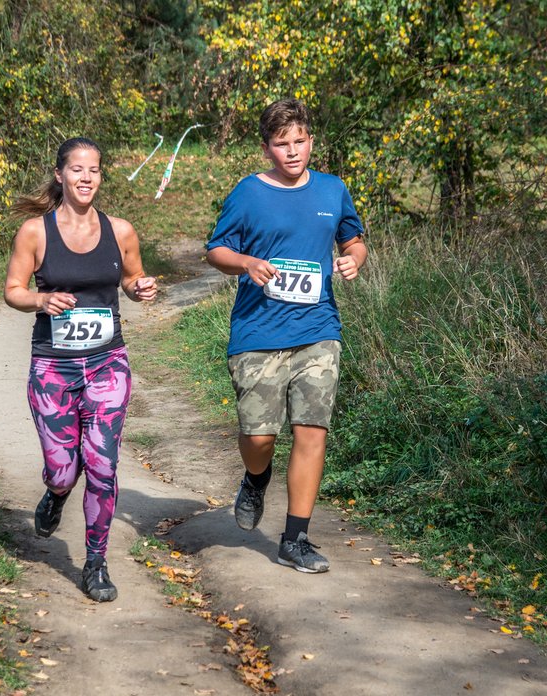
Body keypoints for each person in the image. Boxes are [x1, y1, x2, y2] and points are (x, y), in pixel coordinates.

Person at [206, 99, 368, 573]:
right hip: (257, 331)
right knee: (259, 437)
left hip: (318, 328)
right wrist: (247, 263)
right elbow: (215, 249)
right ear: (266, 149)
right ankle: (257, 478)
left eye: (300, 141)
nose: (293, 151)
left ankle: (295, 539)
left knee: (311, 431)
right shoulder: (248, 193)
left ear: (311, 141)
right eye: (282, 144)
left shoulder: (333, 190)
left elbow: (354, 240)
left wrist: (353, 259)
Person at [4, 137, 158, 601]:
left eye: (94, 170)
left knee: (103, 464)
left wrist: (140, 288)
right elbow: (13, 289)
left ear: (100, 176)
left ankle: (96, 563)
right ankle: (55, 494)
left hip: (108, 362)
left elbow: (131, 276)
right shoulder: (36, 232)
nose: (86, 177)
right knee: (62, 471)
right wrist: (40, 299)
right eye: (77, 169)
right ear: (60, 175)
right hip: (53, 366)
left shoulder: (121, 230)